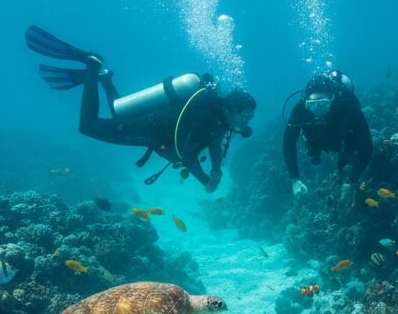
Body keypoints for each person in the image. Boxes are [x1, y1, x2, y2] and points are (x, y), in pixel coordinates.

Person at [25, 26, 255, 192]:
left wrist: (217, 170)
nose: (246, 122)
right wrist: (205, 180)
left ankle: (104, 79)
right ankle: (91, 68)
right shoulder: (208, 114)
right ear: (232, 108)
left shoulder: (219, 118)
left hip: (152, 129)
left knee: (119, 111)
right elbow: (187, 153)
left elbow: (215, 143)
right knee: (86, 126)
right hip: (149, 130)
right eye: (245, 115)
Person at [283, 71, 373, 194]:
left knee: (349, 150)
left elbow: (366, 146)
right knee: (313, 150)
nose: (317, 110)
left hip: (341, 135)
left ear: (332, 98)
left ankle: (342, 163)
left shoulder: (346, 104)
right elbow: (288, 143)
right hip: (318, 137)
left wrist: (352, 179)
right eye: (312, 105)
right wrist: (295, 179)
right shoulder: (301, 108)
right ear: (306, 102)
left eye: (322, 104)